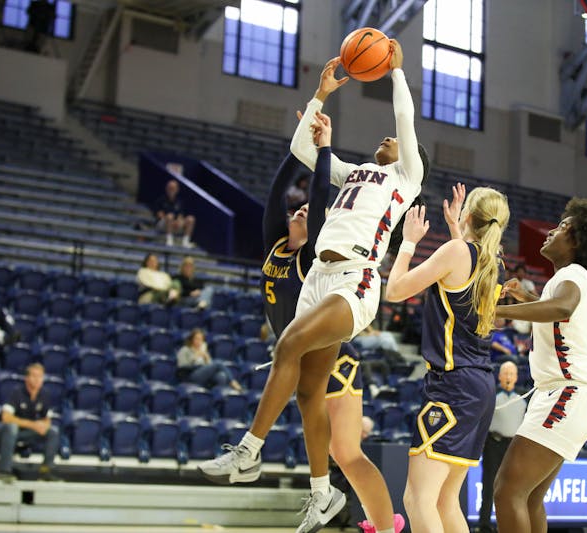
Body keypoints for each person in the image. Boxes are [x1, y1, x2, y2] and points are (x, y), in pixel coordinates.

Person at [201, 45, 425, 532]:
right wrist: (321, 95)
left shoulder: (405, 177)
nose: (388, 137)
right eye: (385, 137)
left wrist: (397, 69)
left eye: (395, 139)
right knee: (308, 394)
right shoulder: (354, 174)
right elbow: (304, 150)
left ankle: (248, 452)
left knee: (289, 343)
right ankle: (323, 494)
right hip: (318, 277)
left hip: (355, 277)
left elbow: (404, 115)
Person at [491, 198, 587, 533]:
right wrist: (526, 298)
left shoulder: (574, 274)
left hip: (567, 393)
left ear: (579, 241)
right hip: (572, 395)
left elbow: (562, 308)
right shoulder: (569, 278)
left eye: (563, 227)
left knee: (507, 491)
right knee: (530, 498)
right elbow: (559, 310)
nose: (552, 230)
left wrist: (500, 312)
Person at [384, 184, 509, 533]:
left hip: (452, 386)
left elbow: (394, 291)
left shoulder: (457, 252)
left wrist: (409, 241)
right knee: (444, 500)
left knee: (417, 499)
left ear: (469, 215)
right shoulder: (493, 262)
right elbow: (462, 276)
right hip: (479, 387)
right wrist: (458, 228)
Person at [0, 363, 61, 483]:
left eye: (40, 377)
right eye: (34, 376)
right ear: (27, 378)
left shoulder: (44, 395)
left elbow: (47, 419)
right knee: (12, 427)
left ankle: (45, 472)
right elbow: (6, 418)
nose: (38, 380)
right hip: (0, 432)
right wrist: (33, 425)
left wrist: (44, 426)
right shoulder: (17, 392)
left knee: (53, 431)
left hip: (23, 433)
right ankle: (4, 471)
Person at [478, 362, 526, 533]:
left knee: (513, 487)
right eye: (505, 373)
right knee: (489, 485)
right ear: (499, 376)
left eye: (511, 373)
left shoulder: (522, 398)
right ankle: (484, 525)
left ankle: (507, 525)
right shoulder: (492, 396)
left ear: (516, 377)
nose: (508, 376)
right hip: (493, 444)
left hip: (513, 447)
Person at [177, 329, 242, 391]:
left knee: (221, 376)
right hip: (190, 376)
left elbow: (209, 367)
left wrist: (206, 357)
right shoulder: (185, 350)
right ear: (191, 339)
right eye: (197, 339)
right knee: (218, 362)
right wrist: (195, 357)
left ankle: (217, 396)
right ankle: (233, 382)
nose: (199, 341)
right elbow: (182, 366)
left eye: (201, 339)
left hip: (203, 375)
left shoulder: (202, 351)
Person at [154, 180, 195, 247]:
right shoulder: (161, 200)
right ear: (166, 188)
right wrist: (170, 221)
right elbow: (160, 215)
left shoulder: (179, 201)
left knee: (191, 219)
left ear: (177, 189)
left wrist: (178, 221)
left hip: (175, 225)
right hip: (163, 224)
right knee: (170, 216)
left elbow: (180, 215)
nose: (171, 190)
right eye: (170, 188)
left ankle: (185, 241)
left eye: (173, 188)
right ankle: (169, 240)